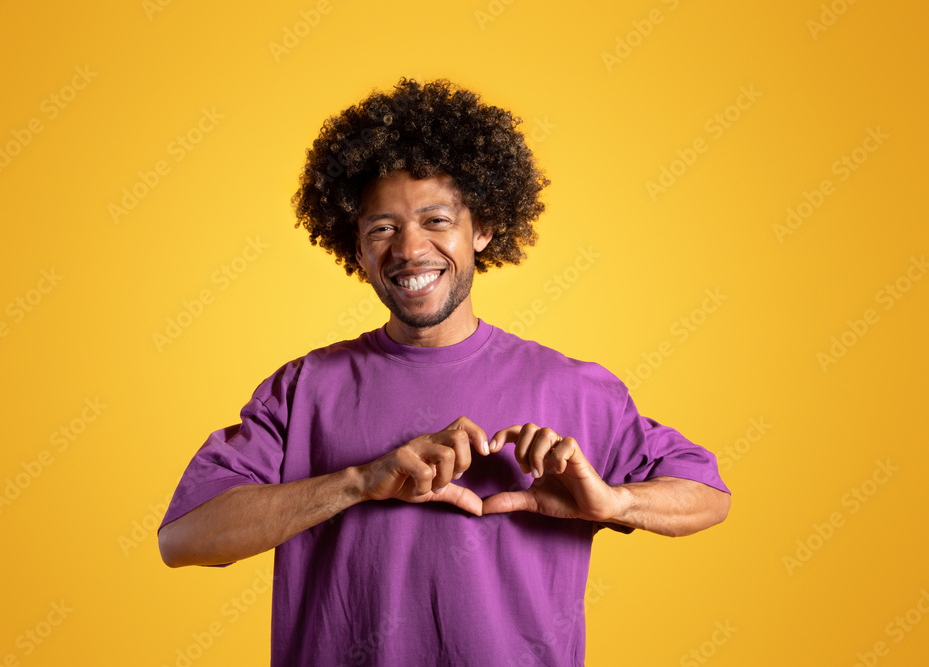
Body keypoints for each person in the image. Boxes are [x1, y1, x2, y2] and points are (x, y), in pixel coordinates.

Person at [158, 77, 731, 666]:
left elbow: (708, 495)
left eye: (436, 220)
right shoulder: (304, 389)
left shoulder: (574, 388)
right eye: (382, 228)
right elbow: (183, 538)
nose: (408, 249)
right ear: (356, 249)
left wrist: (614, 504)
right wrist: (357, 482)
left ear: (481, 229)